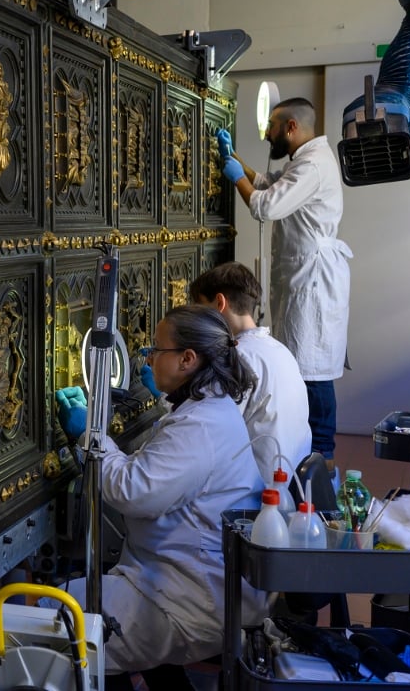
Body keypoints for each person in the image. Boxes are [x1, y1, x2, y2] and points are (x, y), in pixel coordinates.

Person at [55, 305, 270, 678]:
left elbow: (133, 491)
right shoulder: (210, 406)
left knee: (48, 619)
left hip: (189, 598)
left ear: (187, 359)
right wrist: (162, 399)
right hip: (184, 577)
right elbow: (177, 455)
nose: (149, 357)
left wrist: (87, 433)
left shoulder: (200, 428)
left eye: (157, 350)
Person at [216, 98, 352, 464]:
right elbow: (265, 183)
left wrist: (236, 179)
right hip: (303, 280)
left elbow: (264, 206)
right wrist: (236, 160)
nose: (267, 133)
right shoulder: (304, 162)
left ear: (291, 127)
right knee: (306, 366)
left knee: (315, 372)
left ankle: (323, 462)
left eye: (273, 126)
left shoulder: (314, 166)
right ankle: (311, 459)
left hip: (314, 284)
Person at [190, 261, 311, 482]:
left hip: (260, 490)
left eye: (200, 309)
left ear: (219, 303)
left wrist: (165, 396)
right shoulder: (278, 348)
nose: (199, 321)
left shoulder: (239, 357)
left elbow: (203, 427)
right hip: (293, 478)